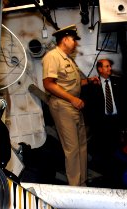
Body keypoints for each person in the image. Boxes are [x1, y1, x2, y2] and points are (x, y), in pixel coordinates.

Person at [42, 24, 99, 186]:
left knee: (82, 145)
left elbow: (72, 83)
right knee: (72, 149)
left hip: (74, 105)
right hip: (63, 105)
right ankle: (75, 187)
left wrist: (88, 81)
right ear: (65, 39)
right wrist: (72, 99)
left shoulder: (68, 59)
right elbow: (48, 84)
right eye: (73, 40)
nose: (75, 43)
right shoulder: (52, 56)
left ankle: (82, 182)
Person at [85, 58, 127, 177]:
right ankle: (106, 173)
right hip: (101, 123)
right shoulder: (93, 84)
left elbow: (124, 104)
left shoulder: (118, 82)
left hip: (116, 121)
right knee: (103, 149)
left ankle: (118, 173)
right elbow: (90, 106)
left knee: (117, 147)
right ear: (100, 69)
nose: (110, 68)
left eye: (110, 66)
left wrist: (125, 123)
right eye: (107, 66)